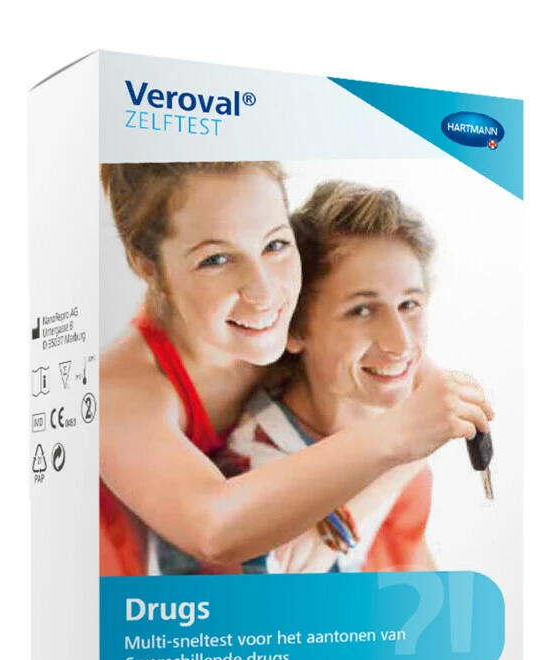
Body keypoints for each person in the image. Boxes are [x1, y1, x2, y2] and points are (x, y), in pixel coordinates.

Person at [98, 162, 493, 576]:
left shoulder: (277, 322)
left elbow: (417, 375)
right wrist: (404, 435)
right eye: (215, 259)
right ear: (147, 265)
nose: (265, 292)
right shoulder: (119, 394)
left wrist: (357, 509)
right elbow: (214, 530)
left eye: (275, 244)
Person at [212, 180, 453, 574]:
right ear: (293, 328)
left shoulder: (400, 409)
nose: (400, 343)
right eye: (362, 311)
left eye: (409, 304)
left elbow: (410, 557)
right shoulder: (254, 470)